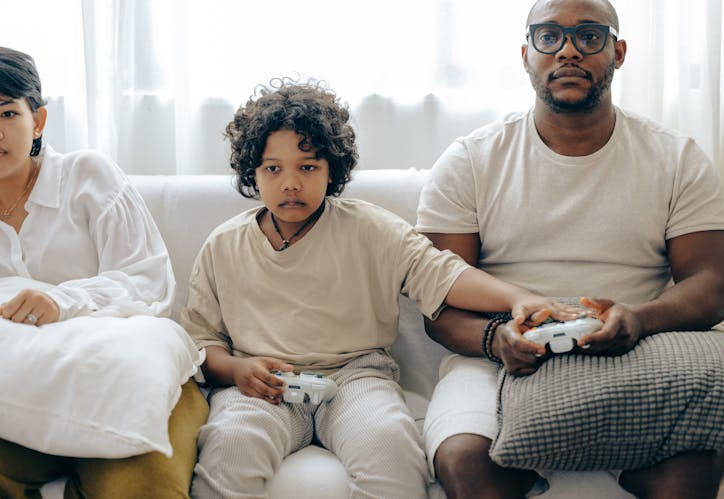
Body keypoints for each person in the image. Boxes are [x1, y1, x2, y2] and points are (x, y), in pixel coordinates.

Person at [181, 79, 581, 499]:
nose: (291, 183)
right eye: (273, 168)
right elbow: (200, 340)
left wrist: (518, 298)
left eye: (308, 166)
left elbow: (440, 273)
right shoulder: (225, 245)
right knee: (229, 447)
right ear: (252, 173)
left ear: (332, 169)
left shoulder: (370, 228)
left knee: (391, 446)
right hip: (261, 384)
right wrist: (236, 370)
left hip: (358, 376)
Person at [416, 1, 724, 498]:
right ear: (526, 54)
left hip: (641, 347)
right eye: (549, 37)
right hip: (499, 356)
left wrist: (638, 319)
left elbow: (712, 288)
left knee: (690, 471)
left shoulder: (677, 157)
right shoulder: (469, 161)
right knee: (464, 461)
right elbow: (436, 303)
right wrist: (495, 339)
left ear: (618, 52)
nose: (568, 51)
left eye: (589, 36)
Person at [0, 47, 207, 498]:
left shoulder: (86, 175)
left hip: (133, 387)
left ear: (38, 121)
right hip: (27, 397)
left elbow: (149, 280)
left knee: (142, 489)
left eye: (6, 113)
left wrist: (61, 300)